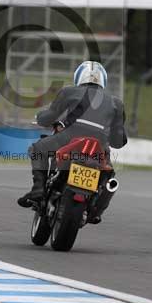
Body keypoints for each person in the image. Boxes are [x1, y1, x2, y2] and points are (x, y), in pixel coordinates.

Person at [17, 60, 127, 207]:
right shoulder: (116, 103)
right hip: (99, 146)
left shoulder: (69, 91)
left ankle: (38, 190)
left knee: (37, 149)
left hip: (69, 137)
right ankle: (97, 207)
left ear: (79, 77)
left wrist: (40, 118)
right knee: (108, 173)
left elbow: (49, 116)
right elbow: (118, 141)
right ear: (103, 80)